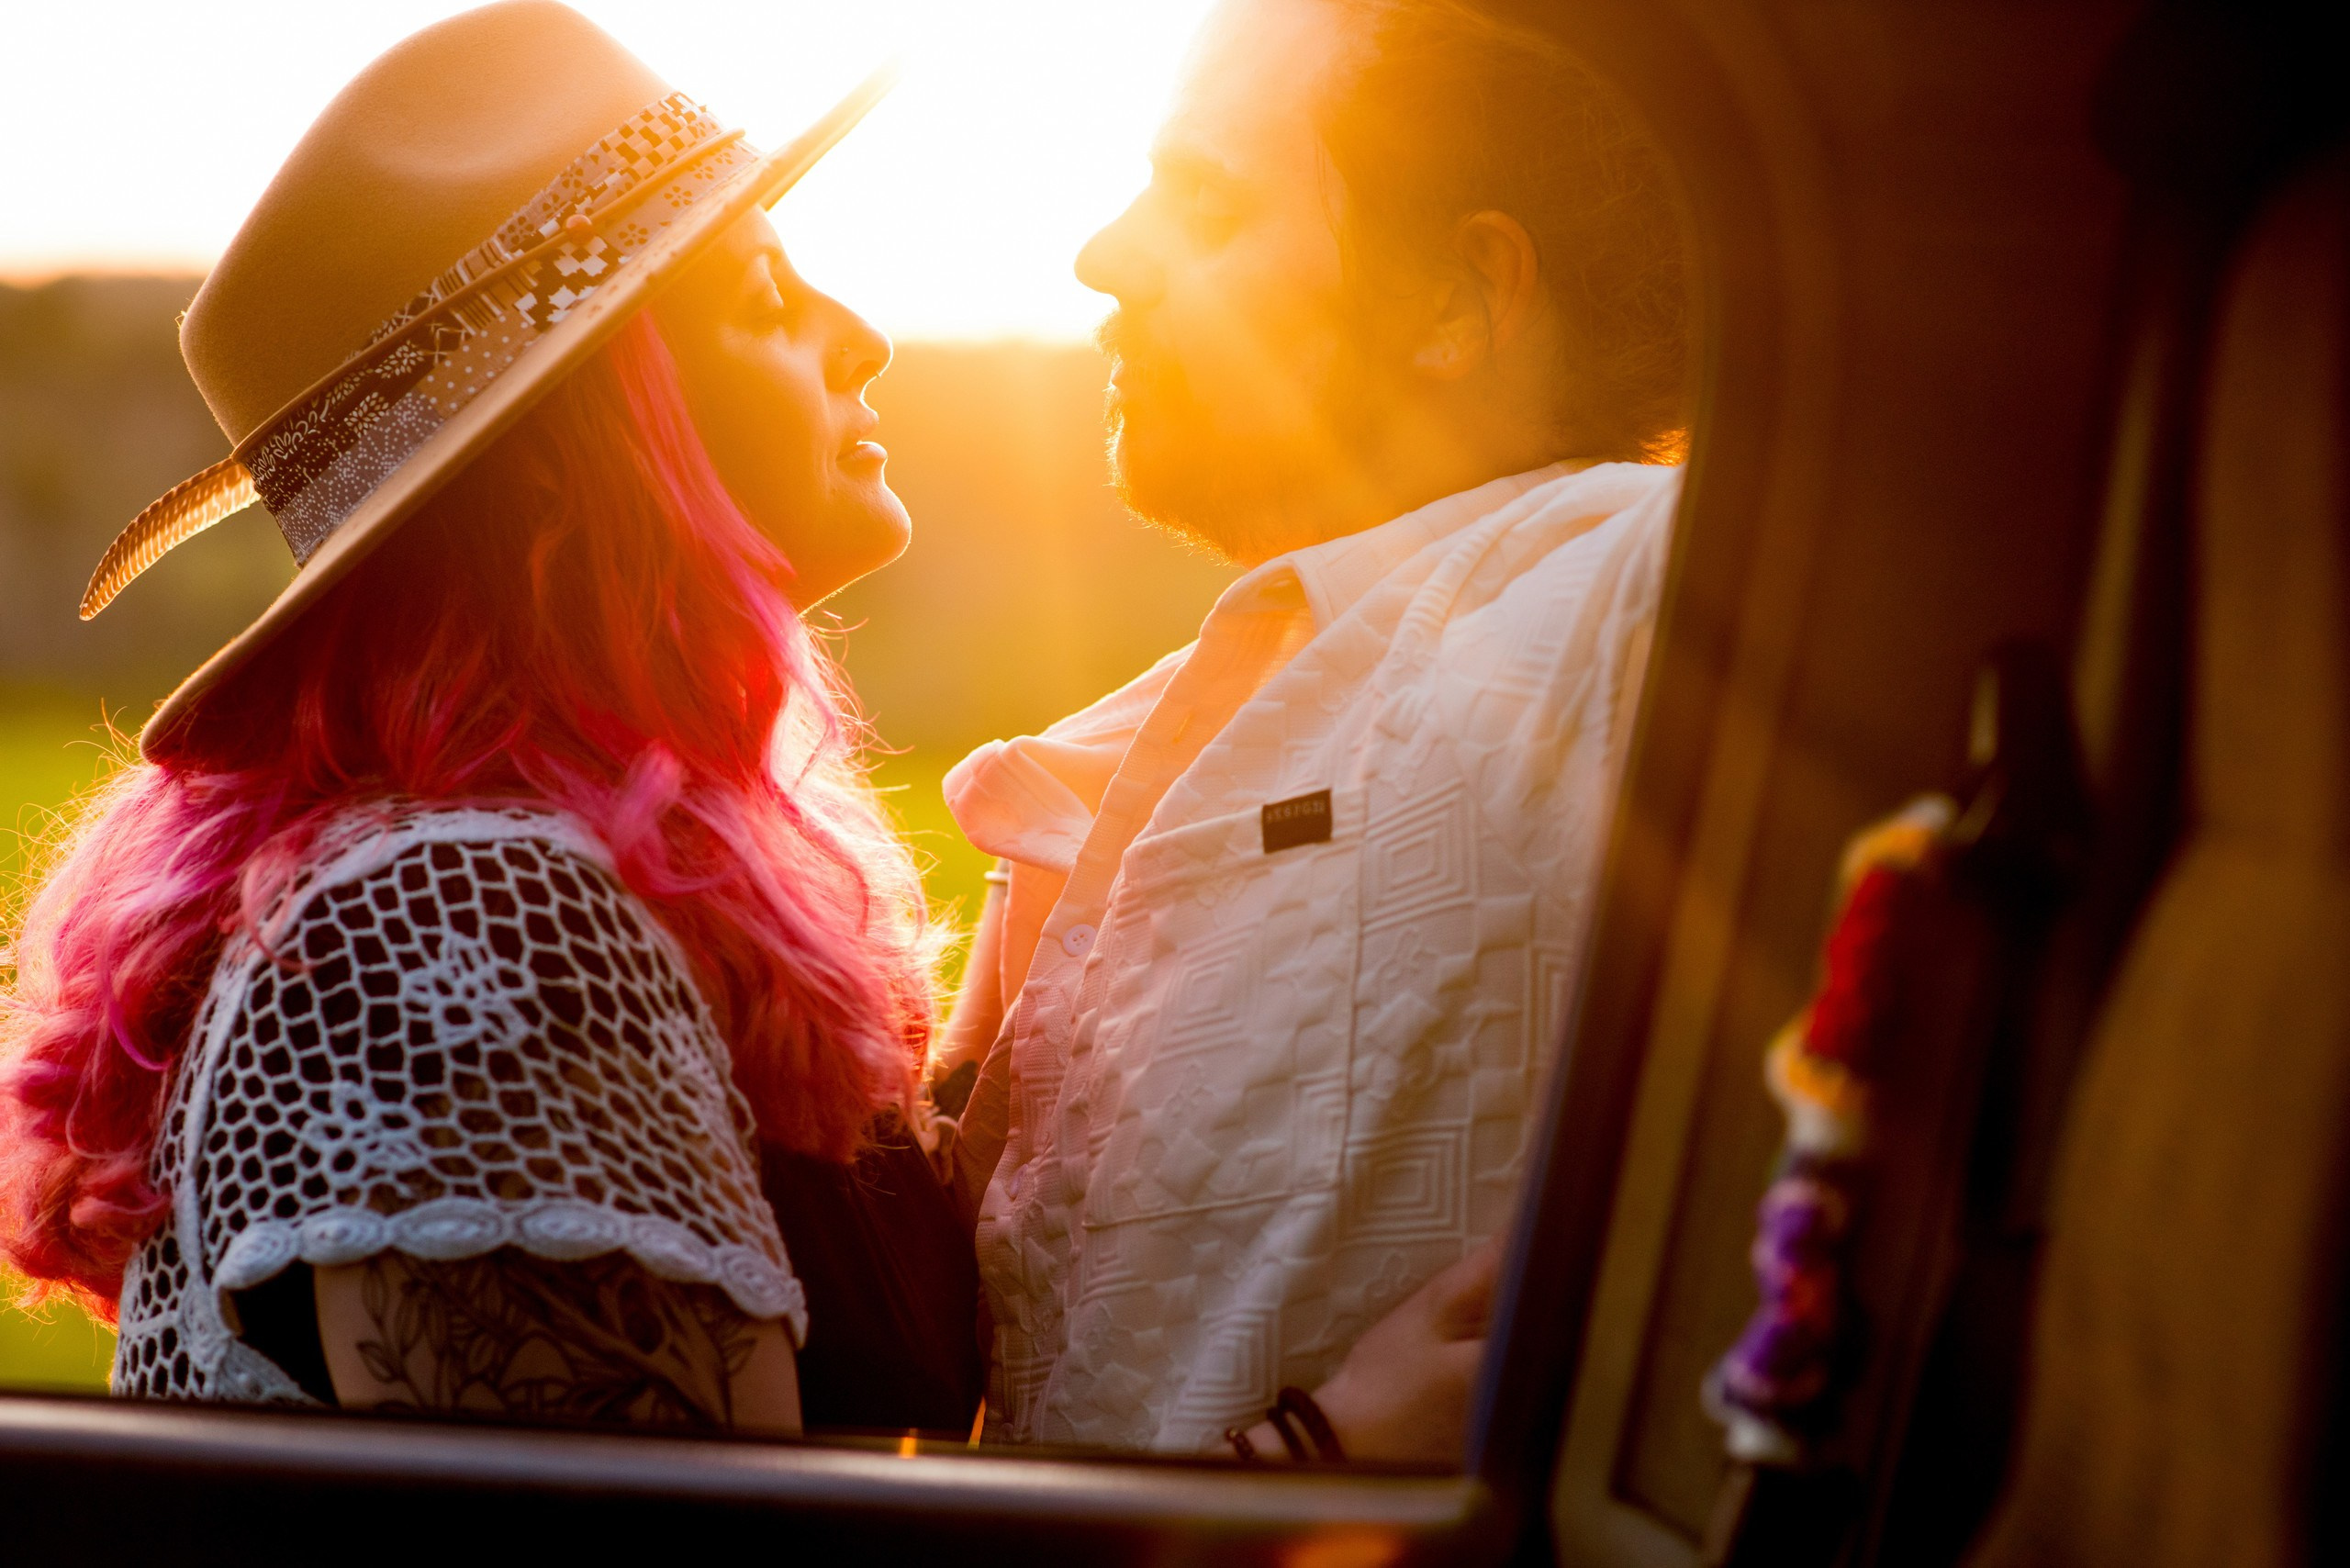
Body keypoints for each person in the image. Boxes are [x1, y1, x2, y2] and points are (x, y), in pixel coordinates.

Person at [0, 0, 1493, 1450]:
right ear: (577, 455)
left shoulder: (569, 884)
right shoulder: (461, 936)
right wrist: (1324, 1454)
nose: (863, 339)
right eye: (771, 304)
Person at [936, 0, 1694, 1456]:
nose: (1106, 255)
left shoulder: (1624, 582)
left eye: (1205, 200)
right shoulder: (1155, 723)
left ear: (1456, 302)